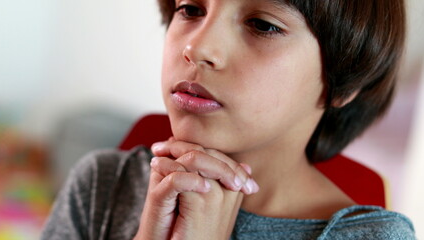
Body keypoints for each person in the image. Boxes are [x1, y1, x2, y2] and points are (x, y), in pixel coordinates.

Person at [41, 0, 416, 239]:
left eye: (263, 25)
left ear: (342, 83)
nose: (197, 48)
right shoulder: (101, 186)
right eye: (190, 9)